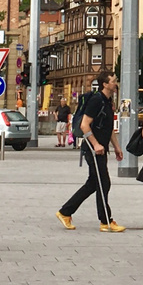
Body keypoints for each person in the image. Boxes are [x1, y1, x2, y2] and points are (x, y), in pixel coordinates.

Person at [56, 71, 125, 232]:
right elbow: (84, 125)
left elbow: (108, 129)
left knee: (94, 183)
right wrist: (95, 145)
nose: (116, 83)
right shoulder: (96, 100)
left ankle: (65, 212)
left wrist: (116, 147)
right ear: (105, 84)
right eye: (113, 81)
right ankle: (106, 221)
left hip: (100, 149)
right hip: (93, 149)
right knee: (103, 183)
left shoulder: (108, 102)